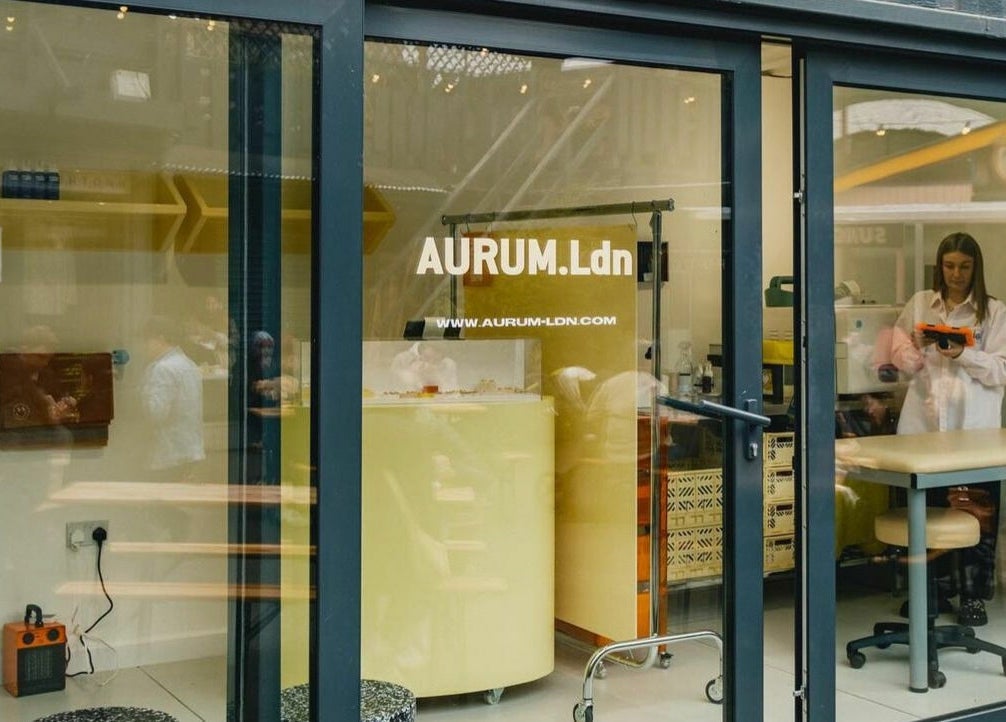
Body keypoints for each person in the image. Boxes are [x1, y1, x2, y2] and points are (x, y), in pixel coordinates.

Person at [889, 231, 1006, 626]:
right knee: (929, 512)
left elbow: (1001, 370)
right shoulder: (921, 303)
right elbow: (898, 361)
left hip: (973, 434)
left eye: (965, 267)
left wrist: (963, 353)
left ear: (976, 268)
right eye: (950, 266)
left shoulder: (994, 312)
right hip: (923, 430)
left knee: (976, 513)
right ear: (940, 266)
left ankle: (973, 596)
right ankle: (931, 591)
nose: (956, 274)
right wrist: (916, 345)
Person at [140, 315, 205, 482]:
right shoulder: (189, 364)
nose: (144, 346)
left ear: (161, 338)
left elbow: (156, 414)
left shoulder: (162, 369)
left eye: (147, 340)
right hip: (190, 450)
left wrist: (141, 394)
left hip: (168, 454)